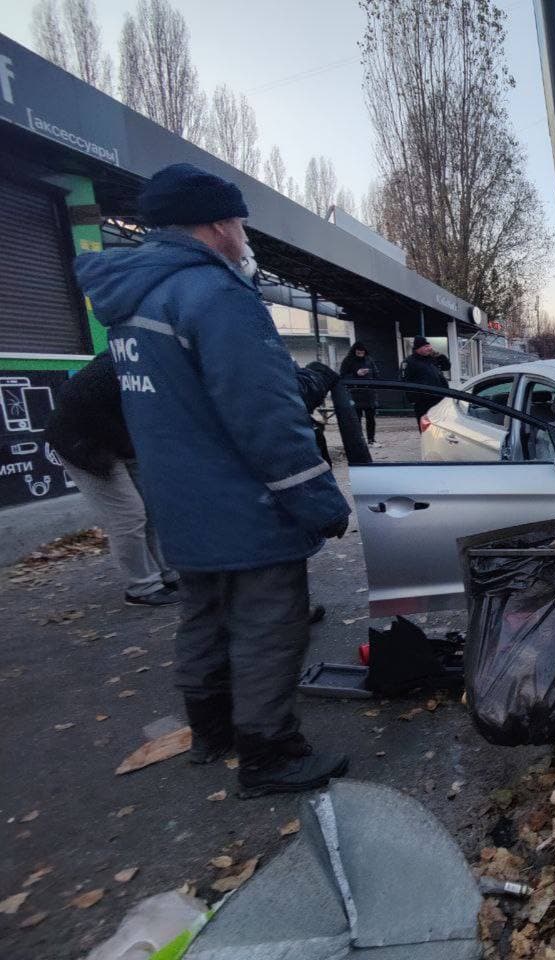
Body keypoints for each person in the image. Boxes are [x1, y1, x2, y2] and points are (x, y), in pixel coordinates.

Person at [73, 163, 351, 798]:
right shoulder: (217, 297)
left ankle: (213, 732)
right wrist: (316, 499)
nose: (243, 235)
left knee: (203, 616)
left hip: (179, 502)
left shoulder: (133, 301)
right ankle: (269, 754)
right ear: (217, 223)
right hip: (244, 506)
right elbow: (266, 414)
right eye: (239, 222)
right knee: (267, 624)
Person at [45, 353, 180, 607]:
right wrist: (125, 443)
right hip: (84, 445)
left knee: (153, 508)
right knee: (129, 515)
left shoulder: (161, 357)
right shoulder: (126, 358)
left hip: (128, 443)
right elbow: (71, 396)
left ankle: (166, 573)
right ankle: (142, 587)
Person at [339, 342, 380, 445]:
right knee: (356, 420)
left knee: (371, 419)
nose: (361, 353)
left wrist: (373, 380)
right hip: (354, 394)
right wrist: (356, 374)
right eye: (359, 351)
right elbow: (342, 376)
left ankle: (371, 439)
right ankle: (359, 440)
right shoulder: (348, 360)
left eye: (362, 351)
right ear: (354, 351)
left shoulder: (369, 359)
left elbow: (376, 374)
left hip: (369, 394)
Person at [401, 336, 449, 421]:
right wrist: (413, 398)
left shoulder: (432, 359)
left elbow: (446, 367)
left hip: (439, 398)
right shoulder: (409, 362)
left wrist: (440, 356)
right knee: (426, 428)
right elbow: (405, 381)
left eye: (429, 346)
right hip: (423, 401)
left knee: (441, 426)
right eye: (425, 347)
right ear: (418, 348)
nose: (429, 348)